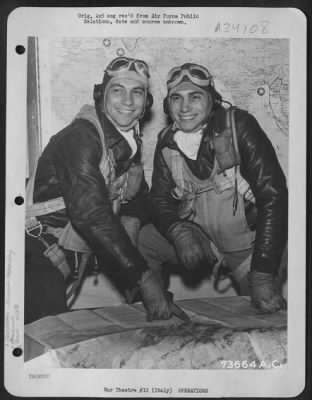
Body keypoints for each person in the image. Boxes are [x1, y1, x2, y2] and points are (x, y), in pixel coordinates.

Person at [25, 56, 174, 324]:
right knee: (45, 340)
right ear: (101, 96)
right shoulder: (81, 137)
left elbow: (141, 197)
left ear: (146, 104)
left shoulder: (123, 143)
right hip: (35, 254)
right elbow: (90, 213)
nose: (128, 102)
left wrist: (131, 217)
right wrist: (145, 278)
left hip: (63, 258)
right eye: (118, 91)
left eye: (137, 93)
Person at [138, 63, 288, 313]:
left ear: (212, 101)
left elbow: (274, 197)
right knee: (144, 240)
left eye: (195, 97)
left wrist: (262, 274)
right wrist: (179, 233)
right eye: (177, 98)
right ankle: (159, 310)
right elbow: (160, 200)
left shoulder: (238, 126)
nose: (184, 108)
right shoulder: (167, 141)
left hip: (251, 248)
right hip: (206, 240)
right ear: (168, 105)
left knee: (263, 315)